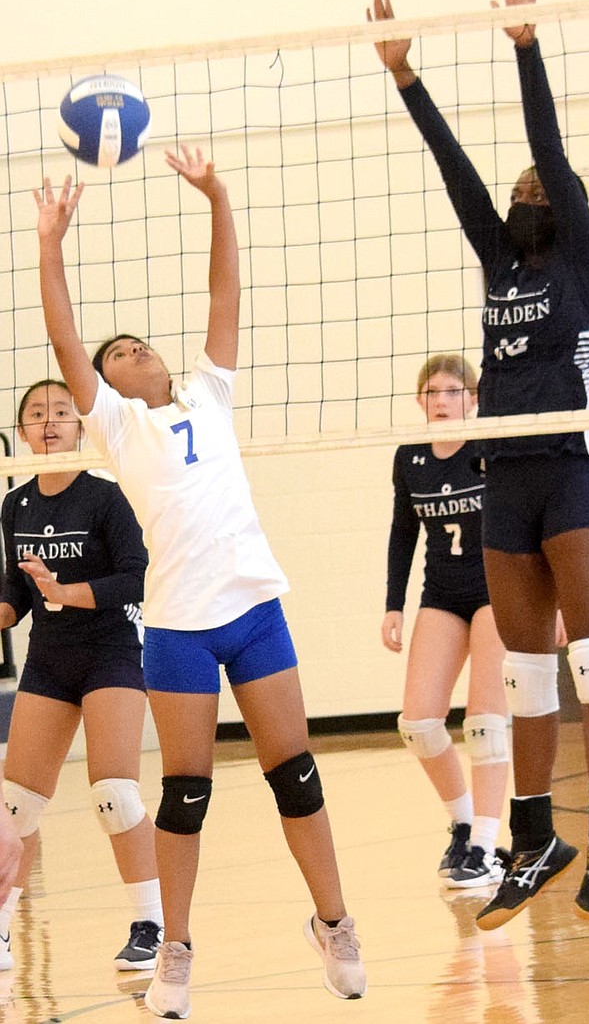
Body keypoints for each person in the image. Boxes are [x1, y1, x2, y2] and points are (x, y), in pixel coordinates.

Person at [32, 147, 366, 1019]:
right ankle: (174, 950)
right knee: (186, 792)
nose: (139, 350)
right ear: (109, 386)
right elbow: (66, 338)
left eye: (141, 343)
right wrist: (49, 243)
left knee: (294, 772)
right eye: (123, 353)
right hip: (178, 625)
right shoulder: (116, 427)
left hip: (253, 608)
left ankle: (334, 923)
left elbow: (226, 295)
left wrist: (218, 194)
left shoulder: (210, 393)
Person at [369, 0, 589, 930]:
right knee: (519, 679)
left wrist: (524, 49)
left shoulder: (582, 261)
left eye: (538, 186)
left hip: (574, 472)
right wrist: (406, 79)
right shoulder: (496, 258)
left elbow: (543, 148)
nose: (525, 189)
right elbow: (457, 174)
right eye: (521, 188)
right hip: (504, 478)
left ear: (560, 201)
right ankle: (532, 839)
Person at [0, 379, 163, 971]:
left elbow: (138, 577)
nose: (49, 421)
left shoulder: (106, 498)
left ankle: (151, 924)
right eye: (37, 413)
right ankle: (0, 929)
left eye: (62, 412)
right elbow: (17, 591)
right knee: (16, 808)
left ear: (81, 426)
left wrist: (67, 591)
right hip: (49, 660)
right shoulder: (14, 505)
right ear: (22, 432)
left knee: (114, 797)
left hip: (111, 652)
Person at [382, 353, 509, 889]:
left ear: (472, 399)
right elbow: (402, 532)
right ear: (420, 400)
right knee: (418, 722)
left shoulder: (490, 448)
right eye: (432, 392)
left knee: (483, 722)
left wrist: (548, 601)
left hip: (497, 593)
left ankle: (485, 845)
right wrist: (393, 604)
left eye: (452, 392)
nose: (441, 401)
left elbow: (526, 519)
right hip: (443, 594)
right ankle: (461, 823)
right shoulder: (410, 457)